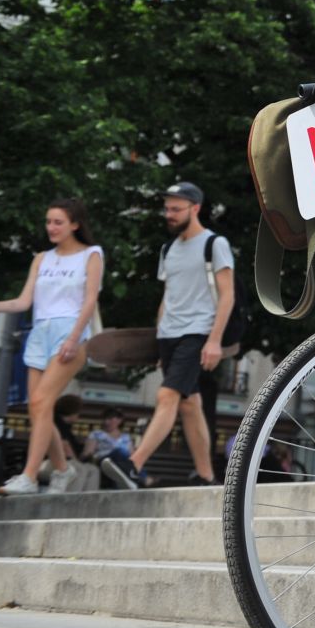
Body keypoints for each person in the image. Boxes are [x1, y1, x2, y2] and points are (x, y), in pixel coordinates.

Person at [104, 182, 233, 490]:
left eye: (176, 209)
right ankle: (205, 476)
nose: (170, 214)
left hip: (197, 332)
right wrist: (159, 336)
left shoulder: (214, 244)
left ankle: (133, 465)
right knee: (190, 404)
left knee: (167, 396)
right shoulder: (168, 249)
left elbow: (227, 296)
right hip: (169, 336)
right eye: (167, 209)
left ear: (195, 208)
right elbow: (167, 296)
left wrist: (214, 340)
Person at [0, 199, 104, 495]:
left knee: (41, 402)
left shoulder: (91, 255)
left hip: (69, 332)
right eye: (48, 222)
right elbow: (23, 302)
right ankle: (62, 468)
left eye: (58, 222)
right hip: (39, 332)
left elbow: (90, 300)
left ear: (75, 224)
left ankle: (29, 476)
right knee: (38, 408)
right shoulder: (41, 258)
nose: (51, 228)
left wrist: (73, 338)